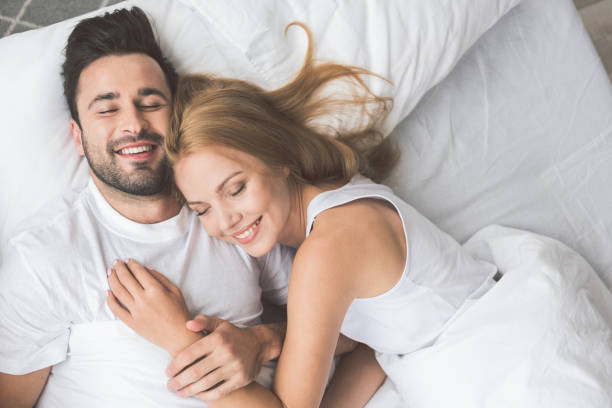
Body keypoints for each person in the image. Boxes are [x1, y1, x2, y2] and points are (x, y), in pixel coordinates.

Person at [106, 25, 501, 407]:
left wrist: (180, 338)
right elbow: (375, 338)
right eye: (203, 209)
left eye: (237, 188)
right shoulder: (336, 194)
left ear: (279, 160)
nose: (225, 222)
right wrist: (267, 339)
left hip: (489, 364)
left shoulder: (326, 251)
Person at [0, 7, 300, 407]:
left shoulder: (233, 215)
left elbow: (349, 328)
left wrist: (263, 341)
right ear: (77, 135)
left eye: (151, 102)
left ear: (177, 115)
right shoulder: (42, 258)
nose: (134, 124)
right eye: (107, 108)